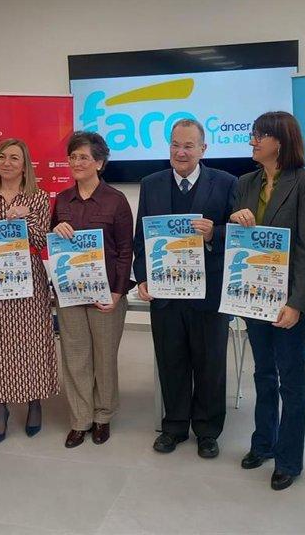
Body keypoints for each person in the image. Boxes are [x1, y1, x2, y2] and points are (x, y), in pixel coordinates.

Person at [229, 111, 305, 490]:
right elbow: (236, 234)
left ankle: (289, 459)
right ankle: (263, 443)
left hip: (288, 302)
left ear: (279, 141)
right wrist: (235, 217)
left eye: (258, 136)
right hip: (255, 295)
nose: (252, 141)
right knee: (263, 374)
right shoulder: (245, 182)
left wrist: (297, 303)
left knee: (291, 381)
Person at [133, 118, 237, 459]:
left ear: (203, 149)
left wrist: (213, 234)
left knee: (210, 365)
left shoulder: (226, 183)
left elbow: (237, 238)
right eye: (176, 144)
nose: (181, 151)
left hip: (209, 294)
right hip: (165, 294)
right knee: (171, 361)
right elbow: (141, 239)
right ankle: (174, 426)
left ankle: (208, 431)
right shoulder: (151, 184)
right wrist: (143, 277)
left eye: (189, 145)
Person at [0, 139, 58, 445]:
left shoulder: (39, 197)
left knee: (31, 343)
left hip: (28, 281)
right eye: (2, 157)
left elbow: (42, 240)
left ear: (24, 164)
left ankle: (34, 404)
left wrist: (18, 219)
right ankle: (0, 409)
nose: (6, 162)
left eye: (14, 158)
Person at [51, 131, 134, 448]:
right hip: (70, 293)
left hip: (106, 295)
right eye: (72, 157)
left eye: (83, 157)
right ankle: (80, 419)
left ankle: (102, 416)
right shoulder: (61, 200)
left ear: (99, 162)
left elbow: (126, 250)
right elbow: (52, 246)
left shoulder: (116, 200)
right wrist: (56, 228)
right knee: (75, 357)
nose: (76, 162)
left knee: (103, 358)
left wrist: (116, 292)